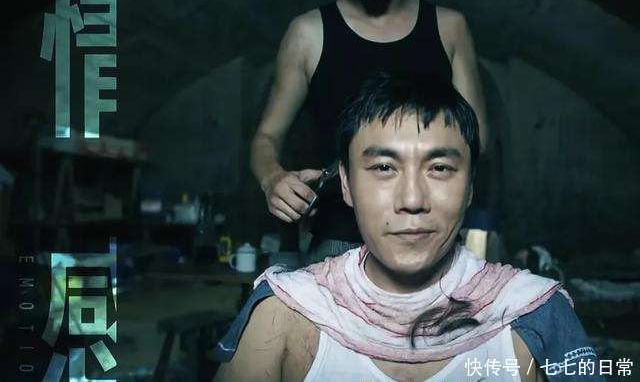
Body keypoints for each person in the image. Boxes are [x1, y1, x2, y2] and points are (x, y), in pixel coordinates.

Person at [214, 72, 602, 381]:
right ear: (346, 184)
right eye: (384, 168)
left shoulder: (535, 314)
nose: (412, 199)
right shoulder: (286, 311)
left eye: (440, 168)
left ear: (470, 187)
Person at [251, 0, 488, 257]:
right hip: (339, 242)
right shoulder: (307, 33)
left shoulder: (450, 27)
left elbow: (476, 140)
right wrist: (272, 179)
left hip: (427, 236)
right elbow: (266, 136)